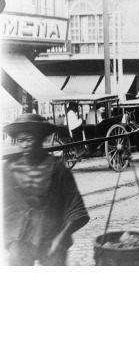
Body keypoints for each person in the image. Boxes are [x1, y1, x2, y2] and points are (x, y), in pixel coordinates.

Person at [3, 113, 90, 265]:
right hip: (21, 236)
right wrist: (10, 240)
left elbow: (77, 209)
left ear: (41, 139)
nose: (25, 145)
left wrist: (61, 237)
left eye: (29, 139)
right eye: (21, 140)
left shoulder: (58, 169)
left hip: (52, 235)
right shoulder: (9, 170)